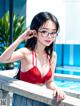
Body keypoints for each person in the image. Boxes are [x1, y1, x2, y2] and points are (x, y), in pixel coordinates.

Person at [0, 11, 65, 106]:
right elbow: (3, 59)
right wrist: (21, 38)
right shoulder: (26, 53)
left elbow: (49, 82)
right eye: (44, 31)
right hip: (23, 100)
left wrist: (57, 89)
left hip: (41, 98)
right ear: (35, 32)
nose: (49, 36)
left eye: (53, 33)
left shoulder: (52, 56)